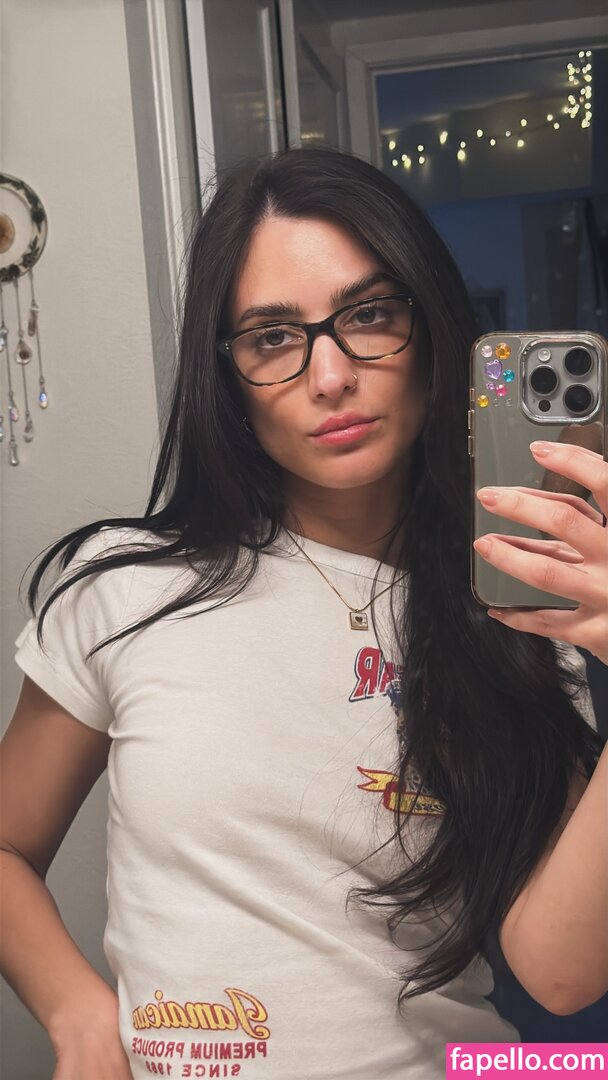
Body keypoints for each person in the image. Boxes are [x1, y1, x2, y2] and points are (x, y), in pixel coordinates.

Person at [1, 146, 607, 1080]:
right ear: (230, 376)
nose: (329, 376)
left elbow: (561, 975)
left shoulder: (513, 610)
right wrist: (78, 1014)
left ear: (431, 332)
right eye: (273, 337)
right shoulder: (122, 592)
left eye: (369, 315)